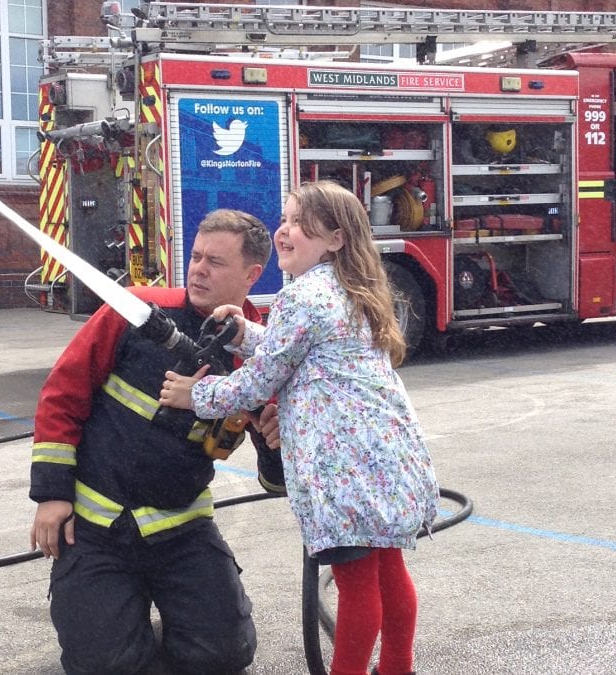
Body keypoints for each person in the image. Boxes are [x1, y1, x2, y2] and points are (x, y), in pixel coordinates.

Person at [159, 181, 440, 675]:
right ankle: (398, 668)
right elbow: (303, 350)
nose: (283, 232)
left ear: (334, 238)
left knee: (355, 585)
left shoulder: (303, 297)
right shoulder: (350, 289)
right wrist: (247, 332)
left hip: (344, 469)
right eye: (284, 220)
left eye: (297, 223)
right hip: (388, 459)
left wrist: (194, 395)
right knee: (388, 571)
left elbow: (258, 382)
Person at [28, 209, 282, 675]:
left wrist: (276, 442)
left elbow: (276, 481)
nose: (199, 269)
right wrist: (52, 494)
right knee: (106, 666)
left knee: (224, 656)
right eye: (197, 256)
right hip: (95, 531)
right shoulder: (138, 310)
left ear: (252, 275)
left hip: (182, 532)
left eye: (216, 262)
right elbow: (63, 393)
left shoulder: (265, 356)